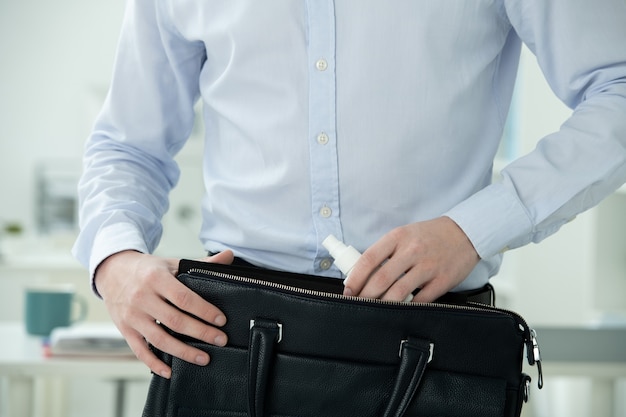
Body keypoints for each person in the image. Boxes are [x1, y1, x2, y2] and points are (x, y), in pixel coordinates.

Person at [73, 0, 626, 380]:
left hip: (427, 336)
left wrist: (473, 230)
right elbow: (127, 145)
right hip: (225, 340)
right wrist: (115, 261)